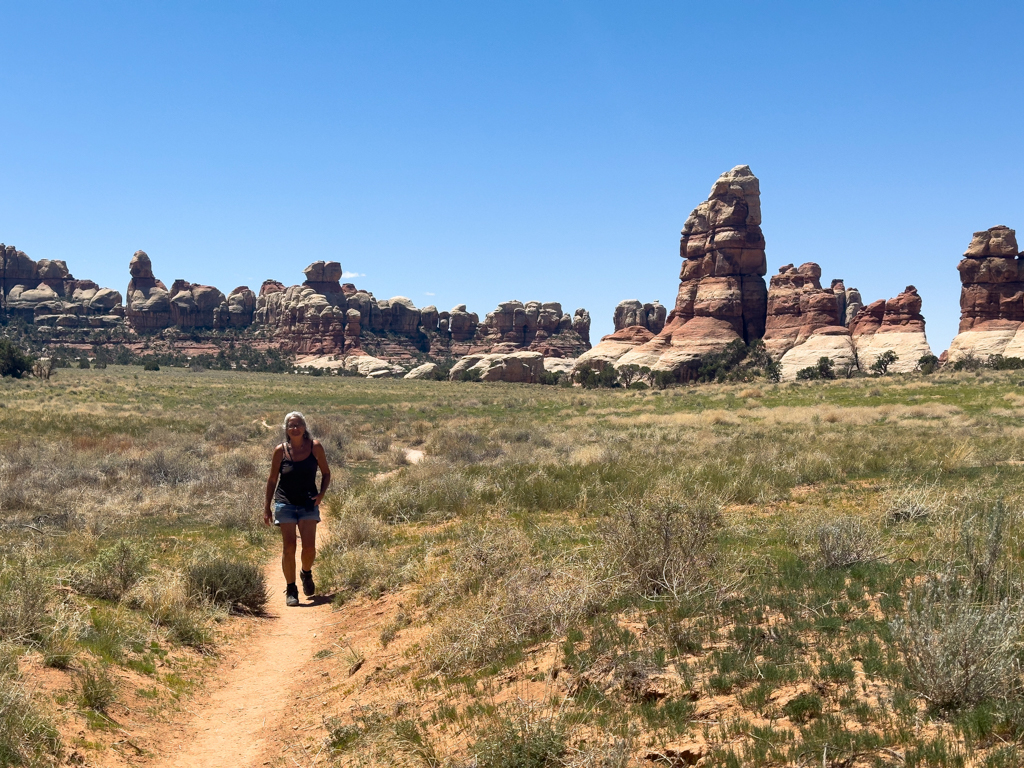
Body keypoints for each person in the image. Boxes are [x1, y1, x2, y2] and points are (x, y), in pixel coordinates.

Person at [264, 411, 331, 606]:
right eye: (291, 425)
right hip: (285, 502)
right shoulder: (280, 450)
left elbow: (326, 473)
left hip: (308, 502)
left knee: (309, 547)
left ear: (304, 427)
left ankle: (306, 573)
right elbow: (272, 479)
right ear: (286, 429)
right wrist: (267, 506)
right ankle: (291, 589)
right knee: (289, 546)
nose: (295, 428)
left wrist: (322, 494)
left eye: (298, 424)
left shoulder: (315, 447)